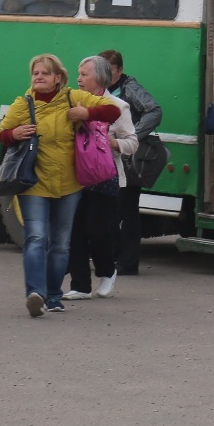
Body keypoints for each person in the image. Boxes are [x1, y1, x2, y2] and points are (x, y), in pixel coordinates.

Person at [0, 53, 120, 318]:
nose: (39, 77)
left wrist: (86, 112)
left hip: (69, 185)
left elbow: (113, 110)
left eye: (45, 73)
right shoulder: (23, 104)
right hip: (34, 184)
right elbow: (2, 133)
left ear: (57, 78)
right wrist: (13, 133)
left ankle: (53, 295)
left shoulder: (73, 98)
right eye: (35, 73)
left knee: (61, 244)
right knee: (36, 238)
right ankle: (35, 294)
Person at [64, 56, 138, 300]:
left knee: (99, 232)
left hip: (105, 178)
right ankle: (80, 285)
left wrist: (112, 142)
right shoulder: (71, 101)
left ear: (101, 78)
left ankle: (107, 272)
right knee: (74, 232)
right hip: (74, 178)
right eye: (79, 73)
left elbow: (133, 142)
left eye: (85, 74)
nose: (79, 78)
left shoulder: (117, 106)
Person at [98, 49, 163, 275]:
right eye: (102, 71)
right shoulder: (100, 90)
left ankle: (128, 262)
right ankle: (115, 257)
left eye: (111, 71)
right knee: (111, 210)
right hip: (107, 158)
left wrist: (132, 135)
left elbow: (154, 111)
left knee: (127, 211)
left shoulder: (129, 88)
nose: (106, 75)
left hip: (128, 159)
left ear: (120, 70)